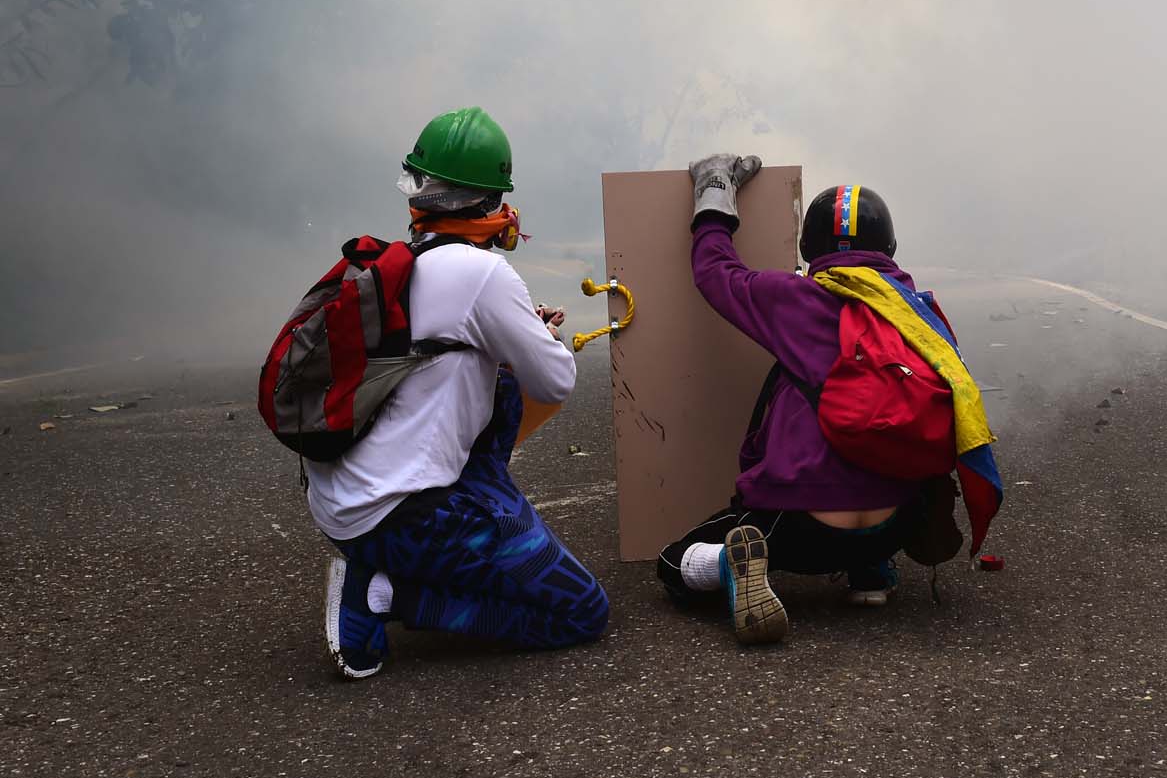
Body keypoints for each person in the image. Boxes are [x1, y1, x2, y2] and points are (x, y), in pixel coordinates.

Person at [311, 107, 608, 679]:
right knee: (581, 612)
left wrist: (504, 342)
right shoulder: (483, 274)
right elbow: (555, 380)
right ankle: (386, 592)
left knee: (496, 380)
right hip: (404, 520)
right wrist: (532, 341)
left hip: (341, 505)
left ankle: (392, 562)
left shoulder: (389, 268)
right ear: (490, 200)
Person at [657, 155, 1002, 644]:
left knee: (673, 562)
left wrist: (715, 193)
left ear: (808, 248)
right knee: (880, 434)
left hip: (800, 531)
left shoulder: (793, 299)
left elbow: (715, 272)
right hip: (900, 520)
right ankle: (871, 572)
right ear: (890, 247)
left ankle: (732, 568)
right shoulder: (918, 313)